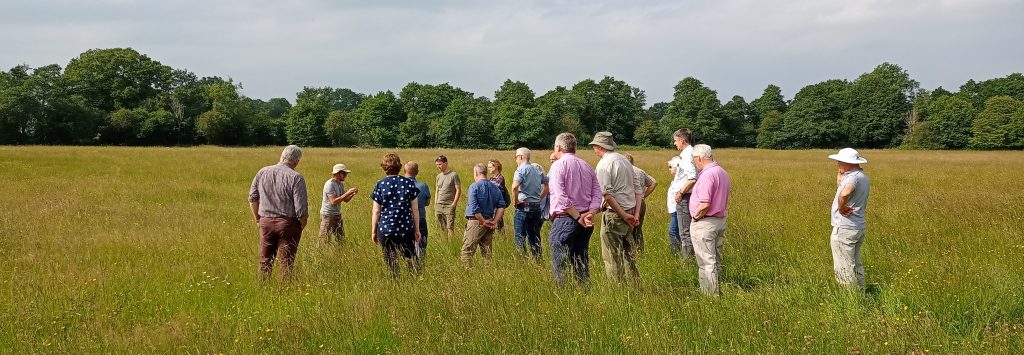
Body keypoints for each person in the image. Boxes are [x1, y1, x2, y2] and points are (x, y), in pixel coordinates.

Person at [548, 132, 603, 287]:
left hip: (566, 219)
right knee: (580, 260)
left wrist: (579, 217)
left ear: (558, 147)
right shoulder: (586, 165)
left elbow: (561, 196)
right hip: (586, 220)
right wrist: (590, 213)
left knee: (560, 262)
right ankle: (585, 292)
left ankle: (564, 297)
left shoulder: (558, 165)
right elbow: (597, 193)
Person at [248, 145, 308, 281]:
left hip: (265, 221)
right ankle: (283, 292)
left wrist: (258, 219)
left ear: (282, 156)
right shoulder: (296, 177)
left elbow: (252, 198)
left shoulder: (262, 172)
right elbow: (301, 209)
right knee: (286, 262)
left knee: (265, 260)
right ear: (296, 161)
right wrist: (301, 225)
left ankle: (263, 289)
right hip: (288, 223)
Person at [590, 132, 643, 283]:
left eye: (594, 146)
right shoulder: (624, 161)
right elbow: (638, 189)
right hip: (631, 213)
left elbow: (606, 194)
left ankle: (618, 289)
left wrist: (624, 215)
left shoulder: (604, 164)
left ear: (599, 147)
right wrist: (636, 214)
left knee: (612, 255)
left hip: (615, 215)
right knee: (628, 254)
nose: (594, 149)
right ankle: (635, 286)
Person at [689, 144, 731, 295]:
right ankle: (718, 289)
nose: (694, 163)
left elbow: (705, 203)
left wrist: (695, 217)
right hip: (719, 220)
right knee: (716, 260)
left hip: (705, 222)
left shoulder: (707, 175)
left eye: (694, 160)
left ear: (699, 158)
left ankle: (709, 295)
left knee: (706, 262)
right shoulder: (722, 172)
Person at [370, 153, 422, 279]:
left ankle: (395, 281)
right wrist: (417, 230)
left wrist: (373, 231)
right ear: (399, 166)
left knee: (390, 260)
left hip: (386, 228)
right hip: (405, 228)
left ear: (384, 167)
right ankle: (412, 281)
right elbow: (415, 209)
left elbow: (376, 211)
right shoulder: (409, 184)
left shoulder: (380, 184)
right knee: (410, 258)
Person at [828, 148, 871, 290]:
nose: (837, 164)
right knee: (855, 264)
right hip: (858, 227)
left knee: (844, 267)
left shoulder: (852, 178)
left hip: (845, 228)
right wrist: (840, 180)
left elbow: (845, 193)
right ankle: (861, 292)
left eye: (840, 161)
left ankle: (851, 299)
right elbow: (844, 191)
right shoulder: (863, 176)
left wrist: (841, 208)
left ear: (849, 162)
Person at [461, 163, 506, 266]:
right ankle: (488, 273)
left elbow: (474, 207)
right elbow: (501, 207)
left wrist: (482, 221)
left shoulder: (474, 186)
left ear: (476, 173)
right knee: (487, 252)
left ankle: (467, 273)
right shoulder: (495, 187)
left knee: (467, 250)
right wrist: (494, 220)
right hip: (490, 222)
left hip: (476, 222)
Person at [510, 148, 547, 262]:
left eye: (516, 157)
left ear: (520, 157)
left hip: (524, 206)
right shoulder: (537, 169)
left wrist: (516, 201)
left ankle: (522, 263)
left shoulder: (521, 169)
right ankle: (538, 261)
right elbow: (547, 184)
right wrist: (539, 197)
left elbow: (515, 187)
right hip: (536, 207)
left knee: (519, 237)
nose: (516, 160)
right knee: (535, 237)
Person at [671, 128, 699, 260]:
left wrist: (680, 193)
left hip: (685, 198)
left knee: (685, 233)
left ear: (682, 140)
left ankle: (687, 262)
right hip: (689, 196)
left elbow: (692, 177)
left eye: (676, 141)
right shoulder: (692, 152)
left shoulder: (687, 155)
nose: (675, 144)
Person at [625, 153, 657, 254]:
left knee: (627, 229)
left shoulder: (624, 171)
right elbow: (654, 182)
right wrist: (643, 196)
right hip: (641, 204)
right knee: (638, 230)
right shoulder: (640, 171)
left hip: (628, 203)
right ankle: (640, 252)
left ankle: (629, 252)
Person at [319, 163, 358, 244]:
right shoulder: (330, 184)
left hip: (337, 214)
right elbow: (333, 201)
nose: (345, 175)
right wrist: (348, 192)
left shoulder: (340, 184)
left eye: (346, 173)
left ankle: (340, 253)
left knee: (341, 239)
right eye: (343, 173)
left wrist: (352, 194)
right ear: (337, 173)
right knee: (324, 239)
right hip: (328, 215)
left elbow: (345, 200)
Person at [404, 161, 431, 269]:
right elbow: (427, 202)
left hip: (405, 220)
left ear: (404, 171)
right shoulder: (423, 186)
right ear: (417, 172)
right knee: (421, 245)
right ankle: (420, 266)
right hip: (420, 218)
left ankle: (410, 266)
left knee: (407, 244)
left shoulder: (402, 185)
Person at [434, 155, 462, 238]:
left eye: (440, 164)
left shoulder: (454, 175)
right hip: (439, 204)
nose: (438, 166)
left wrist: (454, 204)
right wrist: (436, 203)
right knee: (441, 227)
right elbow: (437, 190)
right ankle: (444, 243)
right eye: (437, 165)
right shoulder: (438, 176)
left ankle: (451, 244)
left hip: (449, 205)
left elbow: (458, 190)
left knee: (450, 227)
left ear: (445, 163)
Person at [665, 156, 685, 255]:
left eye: (670, 167)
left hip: (678, 210)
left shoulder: (681, 181)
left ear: (677, 168)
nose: (669, 169)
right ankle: (679, 252)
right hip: (674, 211)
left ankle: (675, 254)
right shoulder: (676, 180)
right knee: (676, 232)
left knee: (673, 232)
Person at [487, 159, 511, 232]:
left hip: (498, 205)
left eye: (490, 167)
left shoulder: (500, 178)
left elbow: (493, 189)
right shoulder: (491, 178)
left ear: (496, 167)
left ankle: (501, 238)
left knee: (498, 222)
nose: (489, 169)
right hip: (493, 204)